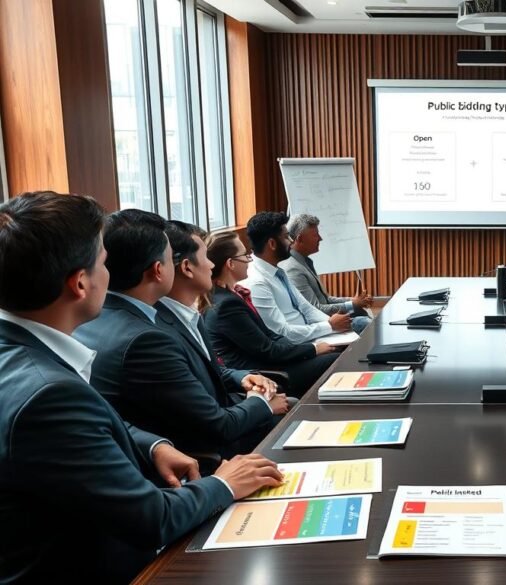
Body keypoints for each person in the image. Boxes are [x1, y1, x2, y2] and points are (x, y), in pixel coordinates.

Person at [0, 192, 283, 583]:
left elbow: (92, 423)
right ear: (81, 283)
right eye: (103, 262)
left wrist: (152, 445)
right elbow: (152, 519)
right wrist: (224, 484)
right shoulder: (48, 394)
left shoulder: (22, 353)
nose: (110, 275)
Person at [75, 212, 286, 460]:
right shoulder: (146, 339)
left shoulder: (104, 317)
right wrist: (260, 403)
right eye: (169, 258)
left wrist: (243, 378)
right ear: (158, 270)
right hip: (201, 456)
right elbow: (217, 427)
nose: (210, 264)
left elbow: (200, 371)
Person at [203, 231, 339, 396]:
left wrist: (309, 348)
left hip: (270, 363)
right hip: (264, 374)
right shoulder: (226, 305)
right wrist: (313, 349)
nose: (248, 260)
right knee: (335, 360)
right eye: (245, 256)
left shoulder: (232, 295)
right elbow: (267, 350)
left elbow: (270, 336)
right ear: (230, 264)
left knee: (333, 353)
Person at [241, 211, 354, 344]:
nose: (291, 241)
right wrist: (329, 326)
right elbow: (281, 333)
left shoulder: (278, 271)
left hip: (311, 335)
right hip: (297, 346)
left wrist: (332, 324)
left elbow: (306, 308)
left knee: (356, 332)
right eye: (286, 237)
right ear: (272, 244)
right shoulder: (257, 282)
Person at [280, 213, 371, 333]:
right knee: (366, 323)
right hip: (321, 325)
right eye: (315, 235)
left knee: (361, 312)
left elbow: (326, 299)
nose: (320, 238)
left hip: (328, 318)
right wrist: (352, 304)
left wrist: (353, 301)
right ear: (300, 238)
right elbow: (315, 309)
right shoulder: (293, 269)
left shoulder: (303, 261)